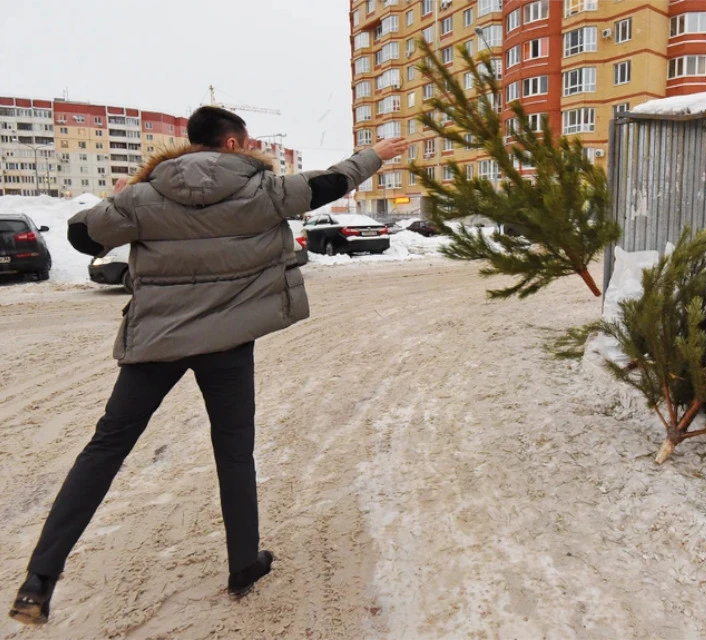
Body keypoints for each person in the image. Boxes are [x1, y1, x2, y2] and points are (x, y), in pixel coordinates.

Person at [9, 106, 408, 624]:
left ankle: (40, 577)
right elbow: (329, 183)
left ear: (190, 144)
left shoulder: (142, 196)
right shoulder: (264, 190)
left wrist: (121, 195)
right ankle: (243, 564)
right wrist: (374, 155)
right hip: (228, 345)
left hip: (155, 342)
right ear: (236, 144)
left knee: (106, 447)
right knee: (233, 449)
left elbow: (83, 237)